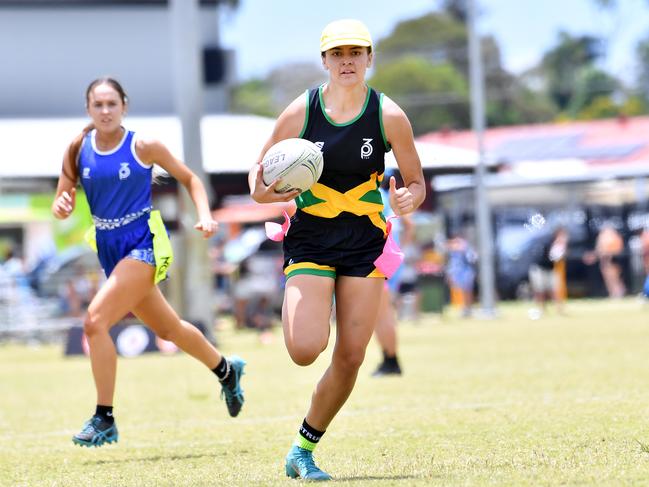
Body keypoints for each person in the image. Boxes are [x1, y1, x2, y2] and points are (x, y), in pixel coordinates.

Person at [249, 19, 425, 481]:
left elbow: (416, 182)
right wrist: (267, 190)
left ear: (369, 58)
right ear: (325, 60)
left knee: (350, 357)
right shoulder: (301, 111)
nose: (346, 61)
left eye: (356, 52)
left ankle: (302, 451)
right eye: (337, 54)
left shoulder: (389, 115)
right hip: (311, 234)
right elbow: (258, 177)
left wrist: (408, 198)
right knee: (307, 349)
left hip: (365, 238)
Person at [52, 77, 246, 448]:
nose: (106, 111)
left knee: (94, 322)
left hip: (142, 246)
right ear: (88, 109)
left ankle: (103, 417)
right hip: (108, 248)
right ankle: (226, 370)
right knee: (170, 329)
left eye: (112, 103)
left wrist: (205, 215)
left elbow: (191, 179)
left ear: (124, 105)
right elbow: (63, 201)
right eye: (98, 105)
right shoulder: (78, 148)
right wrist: (62, 206)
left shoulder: (143, 145)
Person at [527, 227, 569, 318]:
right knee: (540, 290)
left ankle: (559, 310)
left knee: (555, 290)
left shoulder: (561, 246)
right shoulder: (548, 244)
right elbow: (551, 257)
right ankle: (541, 309)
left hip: (550, 269)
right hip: (539, 268)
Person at [446, 233, 476, 317]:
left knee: (467, 291)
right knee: (462, 291)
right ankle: (465, 308)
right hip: (457, 271)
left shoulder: (464, 246)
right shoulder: (454, 247)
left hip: (465, 271)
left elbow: (471, 257)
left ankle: (468, 309)